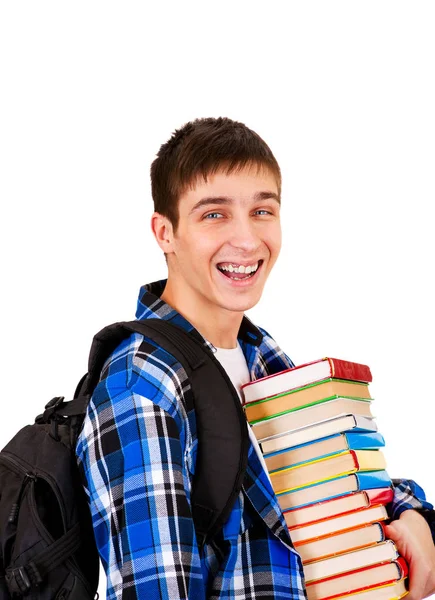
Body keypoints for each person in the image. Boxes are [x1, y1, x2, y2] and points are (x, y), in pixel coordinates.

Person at [76, 117, 435, 600]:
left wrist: (414, 516)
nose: (246, 240)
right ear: (165, 233)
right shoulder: (142, 387)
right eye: (214, 215)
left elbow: (337, 487)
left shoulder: (261, 356)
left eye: (263, 211)